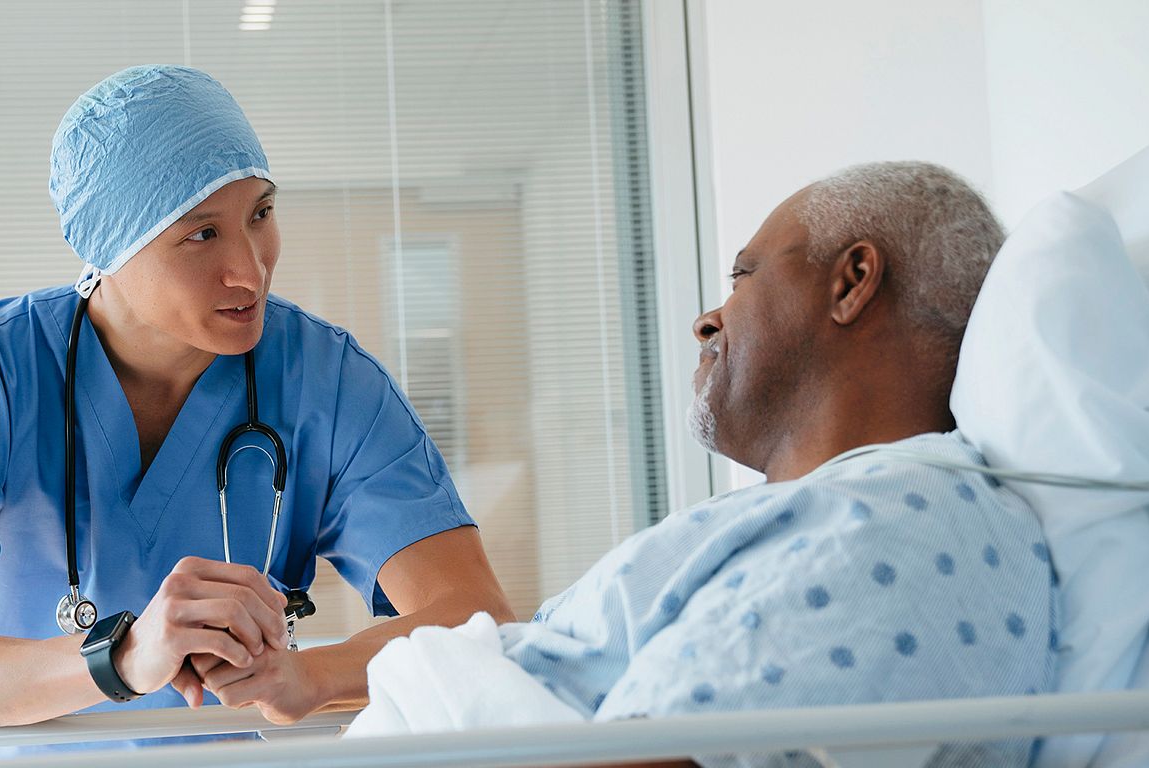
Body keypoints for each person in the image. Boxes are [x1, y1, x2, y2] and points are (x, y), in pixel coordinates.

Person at [0, 65, 512, 729]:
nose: (250, 269)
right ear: (109, 248)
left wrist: (310, 675)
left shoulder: (327, 383)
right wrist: (124, 658)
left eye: (261, 213)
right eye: (201, 234)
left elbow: (475, 615)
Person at [356, 162, 1058, 767]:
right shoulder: (831, 513)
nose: (706, 320)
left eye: (745, 276)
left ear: (853, 281)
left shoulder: (901, 523)